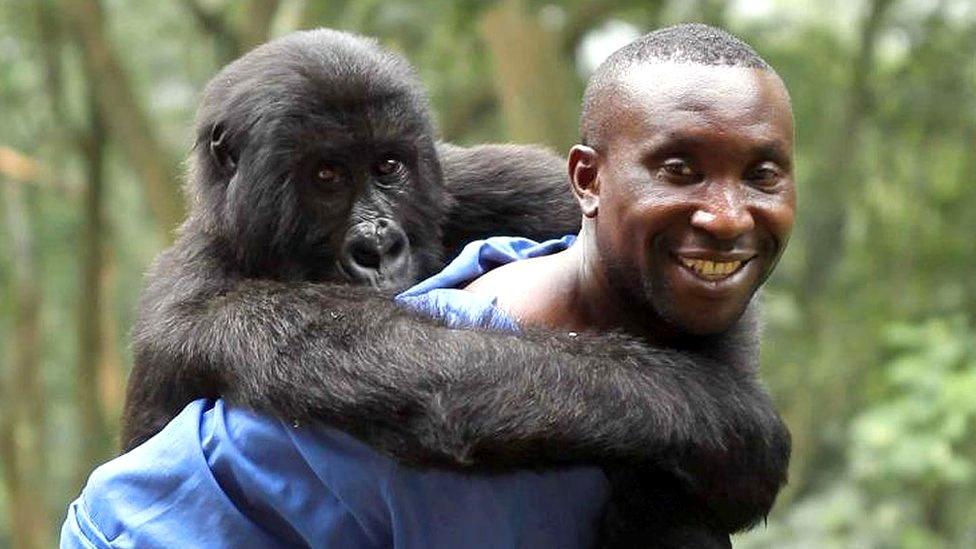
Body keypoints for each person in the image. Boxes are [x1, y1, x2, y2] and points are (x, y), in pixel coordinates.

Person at [62, 23, 795, 548]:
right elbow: (438, 395)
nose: (376, 233)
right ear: (230, 166)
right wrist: (711, 411)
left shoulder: (479, 190)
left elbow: (688, 267)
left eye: (387, 174)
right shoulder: (206, 307)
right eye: (325, 181)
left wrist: (678, 481)